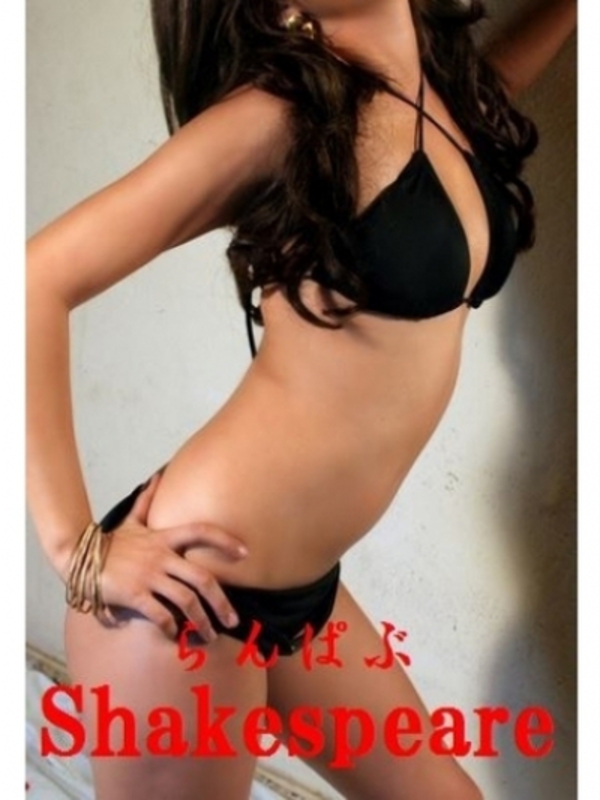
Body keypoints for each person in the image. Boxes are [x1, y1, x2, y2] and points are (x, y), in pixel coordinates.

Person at [26, 1, 576, 798]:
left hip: (303, 592)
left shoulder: (443, 96)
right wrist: (76, 549)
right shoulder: (282, 119)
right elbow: (34, 281)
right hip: (189, 600)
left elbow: (501, 79)